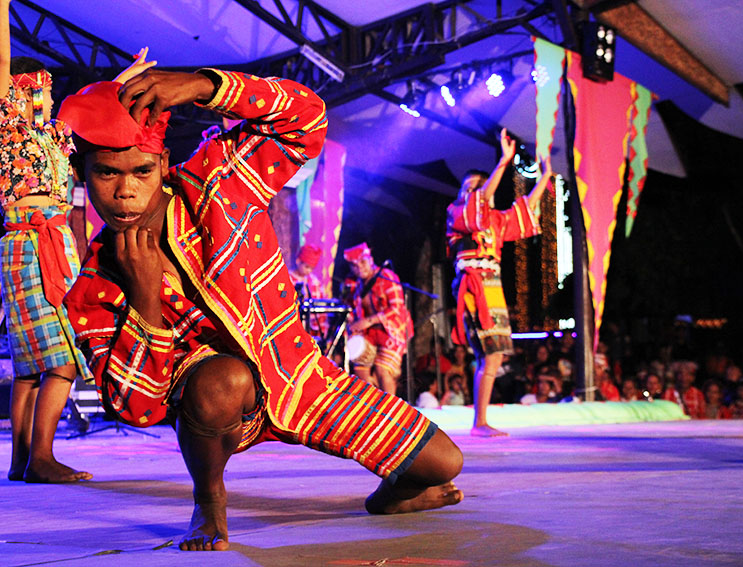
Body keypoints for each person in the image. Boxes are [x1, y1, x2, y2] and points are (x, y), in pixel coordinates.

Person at [59, 68, 463, 551]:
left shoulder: (218, 183)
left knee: (443, 463)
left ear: (163, 164)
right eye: (107, 172)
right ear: (83, 173)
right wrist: (144, 299)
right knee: (221, 380)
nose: (125, 191)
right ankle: (209, 501)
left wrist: (203, 86)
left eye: (141, 171)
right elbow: (135, 408)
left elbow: (306, 119)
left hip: (302, 382)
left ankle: (393, 494)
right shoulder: (96, 284)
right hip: (218, 401)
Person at [0, 1, 153, 483]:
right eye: (33, 92)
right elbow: (4, 67)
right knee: (59, 359)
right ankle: (41, 456)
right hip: (30, 241)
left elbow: (98, 107)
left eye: (45, 90)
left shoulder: (54, 137)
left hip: (50, 240)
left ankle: (23, 461)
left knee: (30, 365)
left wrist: (127, 76)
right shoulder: (9, 130)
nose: (42, 98)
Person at [447, 128, 552, 436]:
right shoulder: (456, 213)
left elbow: (525, 210)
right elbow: (479, 202)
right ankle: (479, 422)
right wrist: (503, 163)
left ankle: (481, 421)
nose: (477, 192)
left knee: (493, 354)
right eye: (470, 187)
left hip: (492, 284)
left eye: (480, 187)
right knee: (489, 352)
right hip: (473, 282)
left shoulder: (494, 220)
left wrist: (544, 177)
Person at [343, 242, 413, 397]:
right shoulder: (356, 285)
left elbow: (396, 308)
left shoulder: (386, 277)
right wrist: (352, 323)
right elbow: (352, 309)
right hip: (370, 334)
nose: (359, 268)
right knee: (359, 366)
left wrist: (368, 321)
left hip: (392, 330)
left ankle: (390, 412)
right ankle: (371, 406)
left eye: (362, 262)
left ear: (370, 259)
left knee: (382, 369)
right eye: (354, 265)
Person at [289, 244, 328, 338]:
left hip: (311, 330)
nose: (309, 271)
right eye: (307, 267)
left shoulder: (315, 282)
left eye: (311, 268)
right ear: (298, 261)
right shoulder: (287, 278)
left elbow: (321, 307)